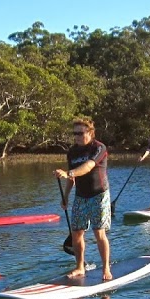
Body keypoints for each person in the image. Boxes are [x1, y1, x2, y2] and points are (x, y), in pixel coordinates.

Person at [54, 117, 111, 281]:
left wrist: (69, 173)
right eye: (75, 133)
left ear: (90, 133)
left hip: (99, 194)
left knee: (99, 232)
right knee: (77, 233)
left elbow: (89, 166)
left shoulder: (99, 148)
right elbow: (71, 178)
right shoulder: (72, 152)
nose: (77, 136)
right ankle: (80, 267)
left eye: (81, 133)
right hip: (80, 196)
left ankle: (106, 267)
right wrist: (65, 197)